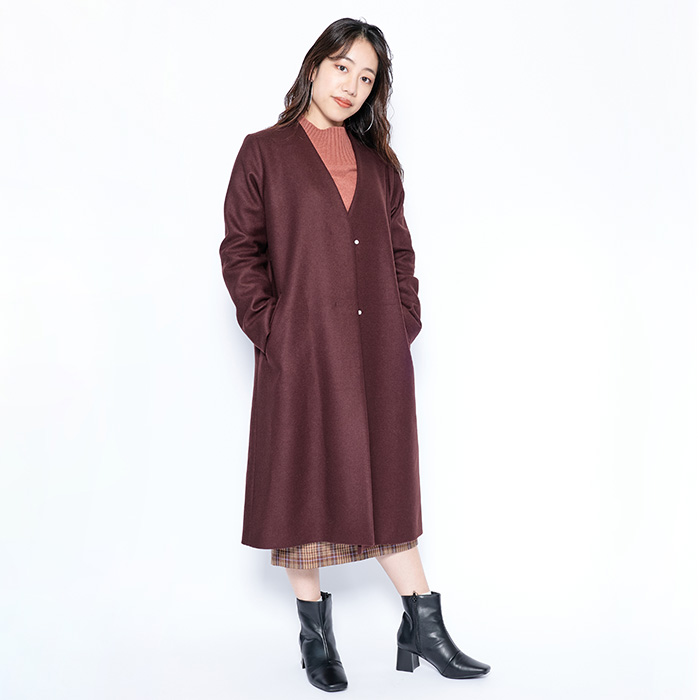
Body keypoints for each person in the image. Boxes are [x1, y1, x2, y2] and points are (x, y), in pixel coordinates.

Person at [220, 17, 490, 692]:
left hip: (376, 354)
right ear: (315, 65)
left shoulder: (378, 165)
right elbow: (241, 251)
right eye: (343, 67)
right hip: (303, 350)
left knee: (386, 482)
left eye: (366, 77)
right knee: (301, 482)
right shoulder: (263, 152)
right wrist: (274, 329)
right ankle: (315, 637)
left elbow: (400, 252)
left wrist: (403, 322)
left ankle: (423, 624)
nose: (351, 85)